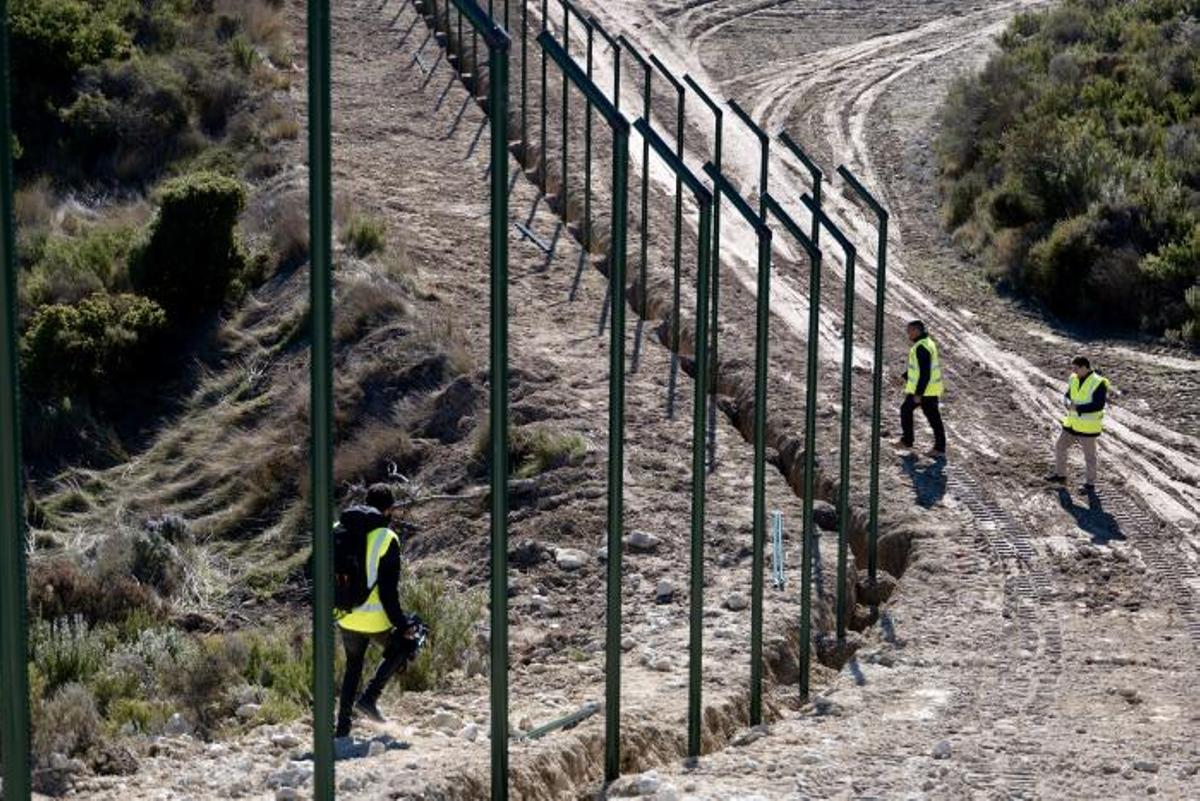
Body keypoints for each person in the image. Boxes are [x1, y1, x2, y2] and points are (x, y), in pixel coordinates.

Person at [335, 483, 419, 739]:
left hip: (344, 615)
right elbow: (388, 594)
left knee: (353, 666)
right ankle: (370, 698)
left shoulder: (338, 530)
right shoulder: (387, 538)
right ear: (389, 510)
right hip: (375, 619)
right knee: (406, 644)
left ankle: (342, 730)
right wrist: (404, 626)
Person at [1046, 356, 1109, 491]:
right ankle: (1060, 475)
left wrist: (1078, 408)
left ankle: (1090, 484)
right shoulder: (1074, 378)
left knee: (1089, 457)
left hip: (1088, 427)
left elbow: (1099, 405)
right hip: (1072, 424)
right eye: (1072, 368)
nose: (1073, 371)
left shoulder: (1099, 382)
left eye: (1076, 368)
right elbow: (1068, 395)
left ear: (1085, 367)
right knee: (1060, 447)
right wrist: (1067, 403)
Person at [896, 320, 946, 456]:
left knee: (930, 417)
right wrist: (904, 377)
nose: (908, 334)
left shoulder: (921, 347)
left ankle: (936, 447)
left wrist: (918, 393)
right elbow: (919, 368)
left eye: (910, 331)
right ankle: (909, 441)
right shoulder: (926, 343)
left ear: (917, 331)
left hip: (925, 391)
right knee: (925, 415)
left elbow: (925, 373)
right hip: (927, 389)